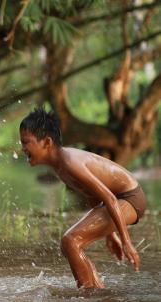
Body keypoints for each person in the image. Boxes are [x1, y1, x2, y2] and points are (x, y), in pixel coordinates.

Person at [19, 107, 146, 289]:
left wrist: (126, 241)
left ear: (47, 142)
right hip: (121, 200)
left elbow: (109, 198)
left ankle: (89, 295)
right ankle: (96, 290)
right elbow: (92, 195)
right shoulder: (60, 166)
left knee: (71, 241)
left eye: (26, 143)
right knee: (69, 245)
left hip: (130, 198)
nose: (23, 148)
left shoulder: (69, 162)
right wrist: (110, 235)